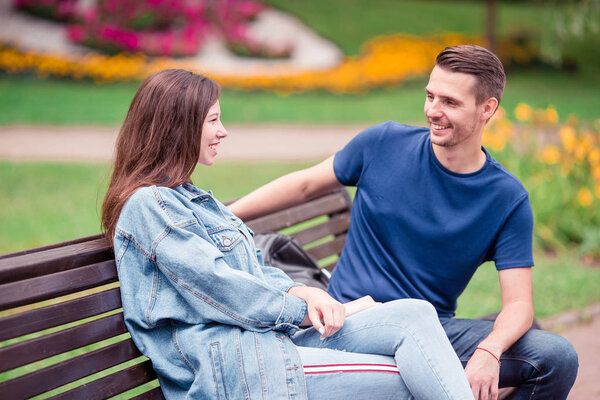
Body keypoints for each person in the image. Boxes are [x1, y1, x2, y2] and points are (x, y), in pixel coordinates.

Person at [228, 45, 579, 400]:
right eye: (430, 96)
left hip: (434, 331)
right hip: (351, 324)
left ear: (487, 109)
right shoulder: (384, 143)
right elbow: (304, 185)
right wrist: (226, 214)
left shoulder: (505, 198)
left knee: (555, 357)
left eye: (450, 103)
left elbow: (519, 303)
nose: (433, 111)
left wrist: (489, 351)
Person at [101, 68, 476, 399]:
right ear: (178, 128)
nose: (223, 131)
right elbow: (218, 286)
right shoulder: (149, 205)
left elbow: (255, 272)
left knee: (416, 314)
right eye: (213, 120)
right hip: (240, 367)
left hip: (269, 341)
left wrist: (304, 291)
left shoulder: (191, 199)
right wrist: (302, 310)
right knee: (407, 378)